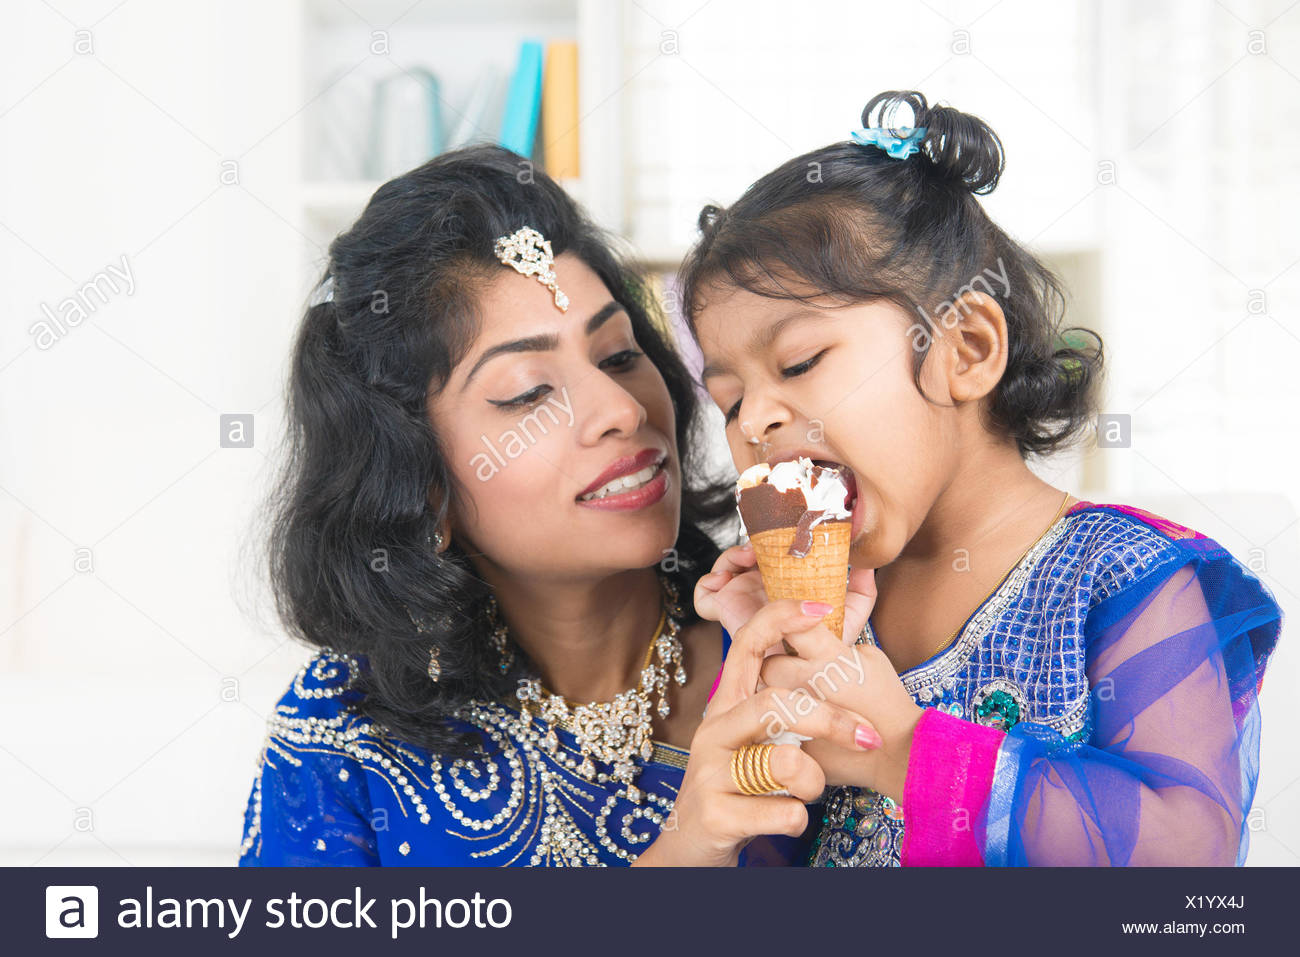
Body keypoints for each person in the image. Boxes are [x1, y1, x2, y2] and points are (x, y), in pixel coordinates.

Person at [684, 91, 1282, 866]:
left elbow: (1187, 857)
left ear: (964, 348)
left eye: (799, 362)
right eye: (729, 402)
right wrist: (768, 674)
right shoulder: (818, 621)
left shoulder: (1126, 577)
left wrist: (903, 750)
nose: (754, 420)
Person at [238, 145, 872, 866]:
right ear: (423, 484)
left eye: (619, 356)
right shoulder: (345, 732)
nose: (619, 410)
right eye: (528, 393)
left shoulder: (802, 642)